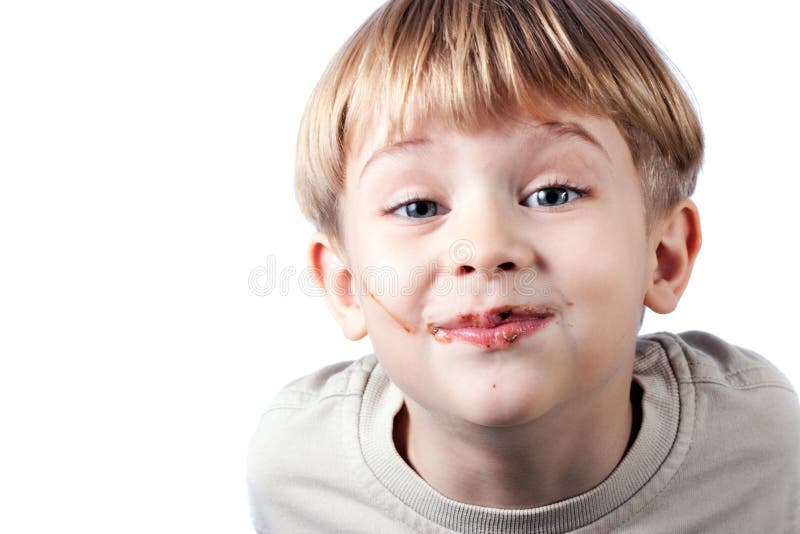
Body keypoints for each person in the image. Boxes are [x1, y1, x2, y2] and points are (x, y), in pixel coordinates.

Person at [247, 0, 800, 531]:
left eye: (553, 195)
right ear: (346, 288)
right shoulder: (299, 472)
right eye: (418, 207)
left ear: (662, 257)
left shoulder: (758, 447)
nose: (485, 248)